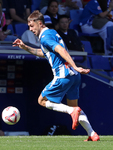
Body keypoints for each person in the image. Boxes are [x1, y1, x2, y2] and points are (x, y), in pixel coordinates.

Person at [13, 10, 100, 141]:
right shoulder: (52, 32)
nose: (30, 29)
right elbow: (44, 53)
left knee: (41, 101)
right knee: (74, 106)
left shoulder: (45, 37)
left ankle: (72, 113)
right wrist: (25, 47)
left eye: (32, 26)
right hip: (74, 76)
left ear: (40, 23)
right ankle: (92, 133)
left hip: (63, 75)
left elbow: (61, 50)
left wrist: (75, 65)